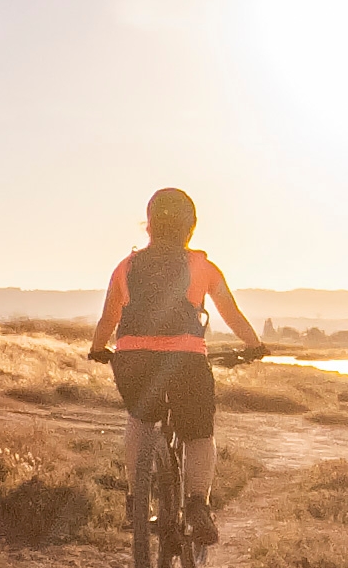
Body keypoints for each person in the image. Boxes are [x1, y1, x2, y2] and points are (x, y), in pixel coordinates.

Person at [89, 188, 265, 548]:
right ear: (191, 227)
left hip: (132, 358)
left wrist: (97, 348)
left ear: (149, 225)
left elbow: (110, 316)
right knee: (198, 434)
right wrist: (254, 346)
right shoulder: (200, 265)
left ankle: (136, 499)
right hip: (185, 360)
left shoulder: (127, 266)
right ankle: (197, 503)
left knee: (140, 419)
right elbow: (230, 313)